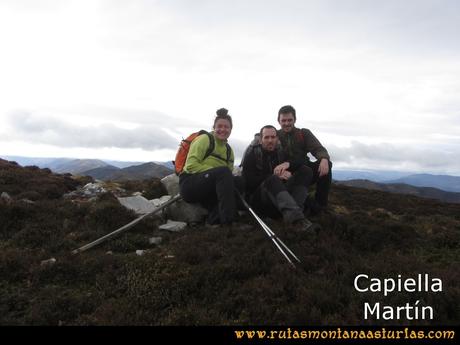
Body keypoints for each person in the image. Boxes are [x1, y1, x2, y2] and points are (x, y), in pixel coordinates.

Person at [242, 125, 320, 233]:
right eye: (266, 137)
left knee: (305, 171)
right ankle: (297, 221)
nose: (270, 140)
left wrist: (288, 164)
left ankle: (295, 211)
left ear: (277, 138)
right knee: (272, 179)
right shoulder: (252, 154)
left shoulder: (280, 152)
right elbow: (248, 183)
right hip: (260, 202)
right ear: (260, 140)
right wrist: (273, 176)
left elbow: (302, 161)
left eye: (273, 137)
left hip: (278, 200)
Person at [179, 108, 238, 226]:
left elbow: (227, 178)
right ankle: (228, 222)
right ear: (214, 127)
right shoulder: (205, 139)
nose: (223, 129)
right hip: (190, 184)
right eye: (219, 126)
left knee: (239, 182)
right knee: (223, 172)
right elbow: (190, 166)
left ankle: (214, 219)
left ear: (231, 129)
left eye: (226, 127)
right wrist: (214, 172)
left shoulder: (229, 151)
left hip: (210, 188)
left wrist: (219, 176)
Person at [277, 105, 332, 215]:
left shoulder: (303, 133)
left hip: (305, 169)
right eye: (283, 120)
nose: (287, 123)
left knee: (327, 165)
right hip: (284, 173)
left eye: (289, 120)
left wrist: (324, 159)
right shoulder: (276, 136)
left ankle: (321, 204)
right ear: (279, 121)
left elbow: (318, 148)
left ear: (295, 120)